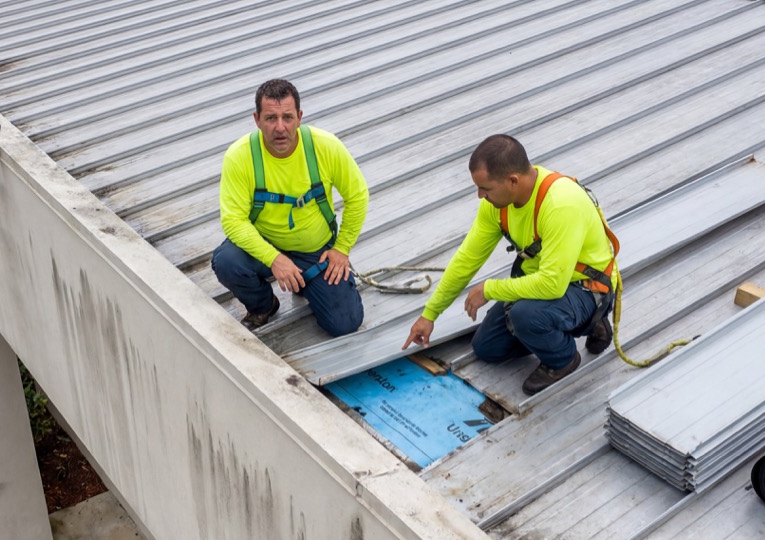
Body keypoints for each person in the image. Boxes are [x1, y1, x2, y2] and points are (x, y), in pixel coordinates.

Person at [402, 134, 618, 395]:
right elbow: (466, 260)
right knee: (487, 348)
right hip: (543, 285)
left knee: (525, 316)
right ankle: (566, 326)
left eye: (485, 188)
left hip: (586, 288)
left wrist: (489, 290)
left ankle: (563, 358)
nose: (480, 195)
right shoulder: (498, 205)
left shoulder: (561, 204)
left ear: (512, 181)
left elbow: (552, 284)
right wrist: (430, 314)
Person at [212, 79, 368, 336]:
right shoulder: (239, 156)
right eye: (271, 118)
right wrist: (274, 259)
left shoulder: (325, 146)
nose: (280, 128)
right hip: (265, 247)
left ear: (299, 117)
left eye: (287, 117)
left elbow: (358, 197)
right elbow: (233, 221)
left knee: (346, 323)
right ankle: (263, 305)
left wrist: (341, 249)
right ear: (257, 119)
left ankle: (304, 282)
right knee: (227, 261)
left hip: (315, 252)